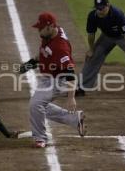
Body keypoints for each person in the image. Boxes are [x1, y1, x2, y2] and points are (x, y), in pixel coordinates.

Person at [19, 12, 86, 148]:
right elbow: (45, 51)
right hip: (49, 77)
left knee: (35, 105)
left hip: (59, 79)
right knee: (39, 105)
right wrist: (29, 64)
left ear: (50, 27)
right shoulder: (50, 34)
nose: (39, 31)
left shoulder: (61, 48)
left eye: (41, 28)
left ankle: (40, 138)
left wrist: (71, 97)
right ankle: (74, 119)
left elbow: (70, 73)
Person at [76, 0, 125, 99]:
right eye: (97, 8)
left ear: (108, 5)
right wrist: (91, 49)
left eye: (102, 8)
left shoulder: (117, 14)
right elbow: (91, 35)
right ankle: (81, 87)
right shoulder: (93, 16)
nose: (99, 11)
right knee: (93, 56)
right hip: (107, 36)